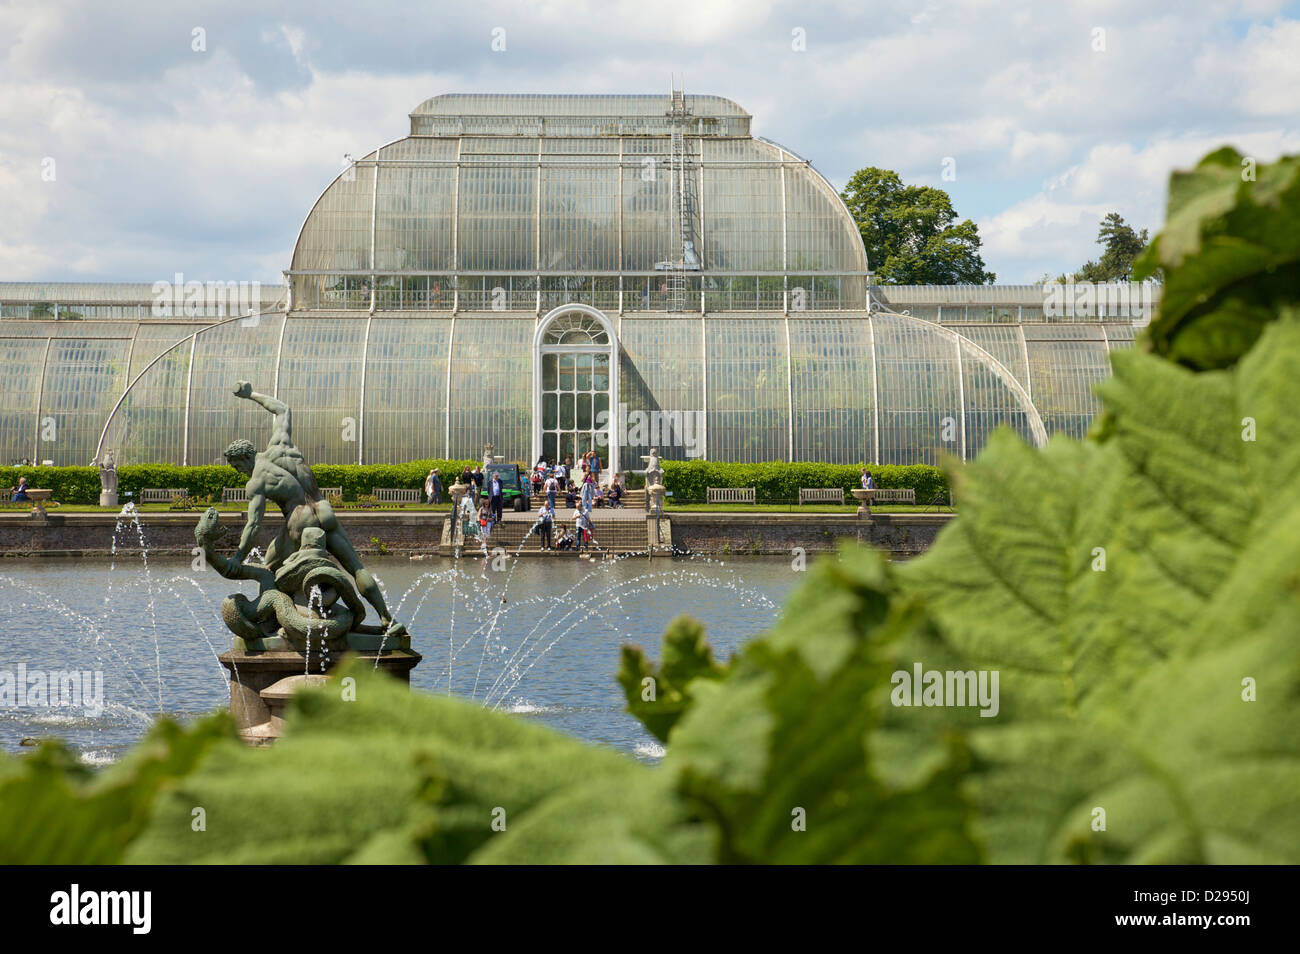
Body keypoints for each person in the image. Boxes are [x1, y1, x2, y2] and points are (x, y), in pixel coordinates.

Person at [224, 381, 404, 635]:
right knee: (356, 567)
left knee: (270, 564)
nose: (237, 471)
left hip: (301, 519)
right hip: (323, 509)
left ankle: (272, 620)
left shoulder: (256, 481)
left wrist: (237, 557)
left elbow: (254, 524)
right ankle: (387, 618)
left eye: (236, 465)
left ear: (244, 457)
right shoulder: (280, 446)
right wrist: (250, 394)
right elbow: (282, 409)